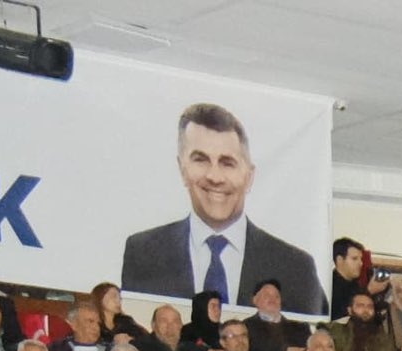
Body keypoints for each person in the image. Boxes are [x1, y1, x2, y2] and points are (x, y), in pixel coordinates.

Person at [121, 102, 322, 311]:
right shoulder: (143, 253)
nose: (215, 177)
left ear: (249, 176)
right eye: (201, 160)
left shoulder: (296, 267)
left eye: (227, 163)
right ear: (182, 169)